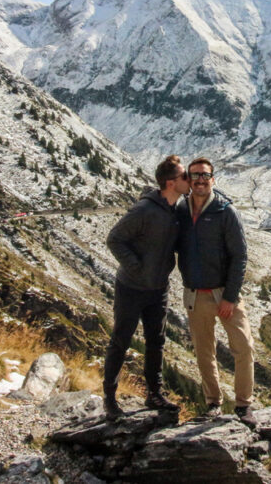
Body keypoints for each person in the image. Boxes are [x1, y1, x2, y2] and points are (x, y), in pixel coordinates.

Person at [103, 154, 191, 417]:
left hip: (158, 288)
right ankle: (109, 398)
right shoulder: (144, 210)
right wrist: (137, 268)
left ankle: (154, 394)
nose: (189, 180)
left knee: (156, 341)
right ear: (170, 182)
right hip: (131, 287)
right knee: (121, 340)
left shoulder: (178, 209)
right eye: (184, 176)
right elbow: (114, 239)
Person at [176, 157, 256, 423]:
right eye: (195, 175)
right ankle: (213, 403)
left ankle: (244, 406)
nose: (200, 180)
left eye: (205, 175)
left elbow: (240, 256)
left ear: (213, 179)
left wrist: (230, 297)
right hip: (195, 293)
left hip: (224, 294)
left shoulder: (225, 211)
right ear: (188, 179)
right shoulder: (180, 211)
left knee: (243, 348)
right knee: (204, 352)